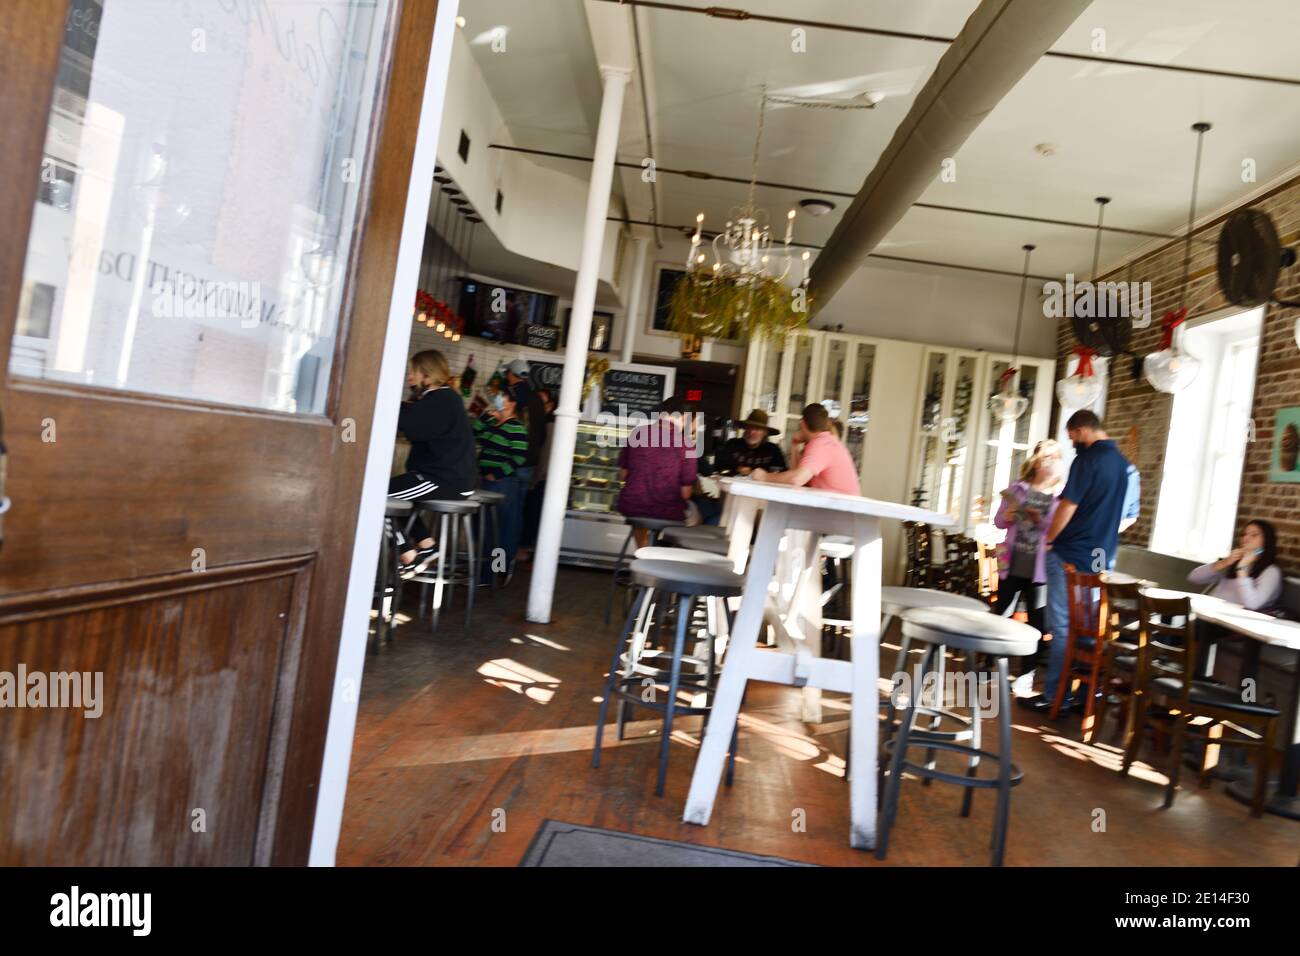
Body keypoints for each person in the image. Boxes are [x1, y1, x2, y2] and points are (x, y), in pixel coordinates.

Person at [1021, 409, 1140, 714]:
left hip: (1070, 556)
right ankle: (1086, 695)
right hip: (1102, 561)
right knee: (1091, 630)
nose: (1072, 442)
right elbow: (1129, 518)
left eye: (1072, 436)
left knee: (1063, 629)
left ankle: (1054, 696)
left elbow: (1067, 507)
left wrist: (1049, 540)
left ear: (1082, 430)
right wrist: (1099, 531)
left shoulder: (1087, 460)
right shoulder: (1127, 468)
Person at [388, 350, 476, 565]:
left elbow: (413, 425)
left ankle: (408, 555)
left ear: (426, 374)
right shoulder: (444, 398)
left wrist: (385, 405)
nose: (410, 376)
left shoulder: (441, 399)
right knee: (394, 493)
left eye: (413, 371)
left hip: (444, 480)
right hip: (447, 478)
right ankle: (427, 546)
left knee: (375, 497)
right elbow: (413, 416)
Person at [992, 440, 1065, 673]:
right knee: (1000, 617)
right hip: (1012, 563)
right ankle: (988, 665)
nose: (1052, 461)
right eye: (1047, 457)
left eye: (1056, 457)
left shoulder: (1061, 495)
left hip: (1040, 568)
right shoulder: (1017, 488)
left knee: (1037, 623)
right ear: (1036, 461)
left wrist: (1040, 521)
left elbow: (1059, 531)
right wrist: (1008, 515)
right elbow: (998, 521)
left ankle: (1027, 673)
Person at [617, 396, 699, 547]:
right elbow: (685, 494)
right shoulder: (687, 445)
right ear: (684, 418)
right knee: (695, 515)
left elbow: (622, 476)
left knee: (641, 504)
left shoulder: (637, 434)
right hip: (667, 510)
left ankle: (641, 550)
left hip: (631, 507)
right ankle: (662, 558)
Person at [473, 383, 530, 577]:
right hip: (486, 484)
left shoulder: (517, 428)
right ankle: (484, 571)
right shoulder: (494, 422)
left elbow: (520, 456)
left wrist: (497, 473)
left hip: (503, 485)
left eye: (503, 396)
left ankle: (494, 574)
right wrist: (488, 416)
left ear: (512, 403)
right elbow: (474, 432)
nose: (498, 398)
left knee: (500, 531)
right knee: (486, 529)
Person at [751, 402, 859, 496]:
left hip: (842, 513)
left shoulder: (821, 444)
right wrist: (794, 445)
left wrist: (764, 477)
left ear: (802, 424)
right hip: (837, 510)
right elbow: (797, 476)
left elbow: (796, 479)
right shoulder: (825, 441)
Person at [518, 388, 556, 565]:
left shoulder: (548, 424)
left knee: (528, 516)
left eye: (542, 402)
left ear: (550, 405)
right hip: (537, 478)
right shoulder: (536, 424)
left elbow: (545, 457)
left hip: (539, 480)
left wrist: (535, 480)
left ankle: (521, 554)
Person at [504, 357, 547, 495]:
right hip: (530, 461)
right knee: (519, 505)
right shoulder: (537, 399)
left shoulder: (510, 397)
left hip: (511, 461)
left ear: (511, 374)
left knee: (506, 507)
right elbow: (542, 434)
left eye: (507, 372)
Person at [714, 408, 787, 476]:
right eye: (749, 428)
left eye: (757, 429)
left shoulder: (773, 450)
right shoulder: (732, 444)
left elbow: (781, 473)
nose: (751, 432)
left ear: (765, 433)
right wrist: (737, 469)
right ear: (744, 429)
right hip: (733, 488)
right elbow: (719, 467)